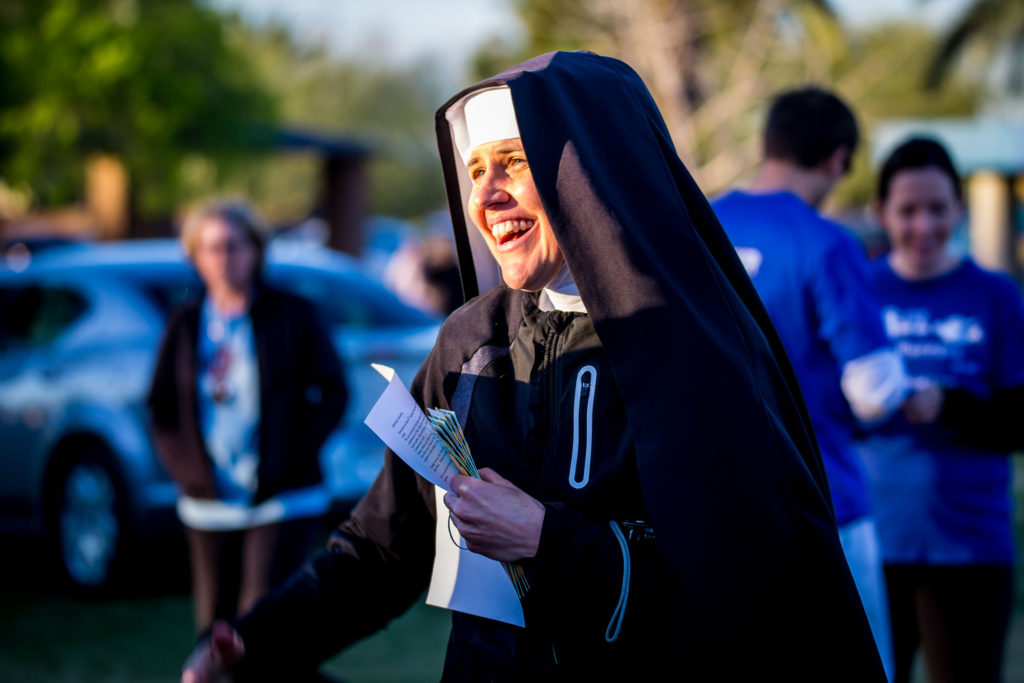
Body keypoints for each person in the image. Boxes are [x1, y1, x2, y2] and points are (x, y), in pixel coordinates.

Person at [181, 52, 885, 682]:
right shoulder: (468, 343)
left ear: (588, 170)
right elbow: (384, 544)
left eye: (514, 162)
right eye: (475, 169)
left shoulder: (691, 353)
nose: (485, 197)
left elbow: (743, 589)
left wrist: (550, 542)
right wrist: (254, 640)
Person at [712, 87, 919, 679]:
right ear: (838, 160)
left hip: (714, 504)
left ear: (767, 145)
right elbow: (874, 390)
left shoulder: (693, 224)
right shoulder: (826, 242)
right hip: (823, 499)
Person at [860, 137, 1024, 683]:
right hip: (873, 541)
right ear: (881, 212)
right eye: (908, 211)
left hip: (970, 548)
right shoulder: (858, 288)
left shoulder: (997, 296)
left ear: (960, 208)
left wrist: (947, 405)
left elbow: (1017, 420)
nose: (924, 226)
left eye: (937, 209)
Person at [148, 201, 349, 636]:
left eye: (234, 246)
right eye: (211, 248)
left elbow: (334, 391)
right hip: (208, 502)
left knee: (261, 627)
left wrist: (293, 452)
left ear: (255, 251)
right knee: (213, 630)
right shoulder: (185, 323)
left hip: (281, 497)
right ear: (195, 257)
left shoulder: (292, 313)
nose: (223, 258)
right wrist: (186, 469)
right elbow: (161, 408)